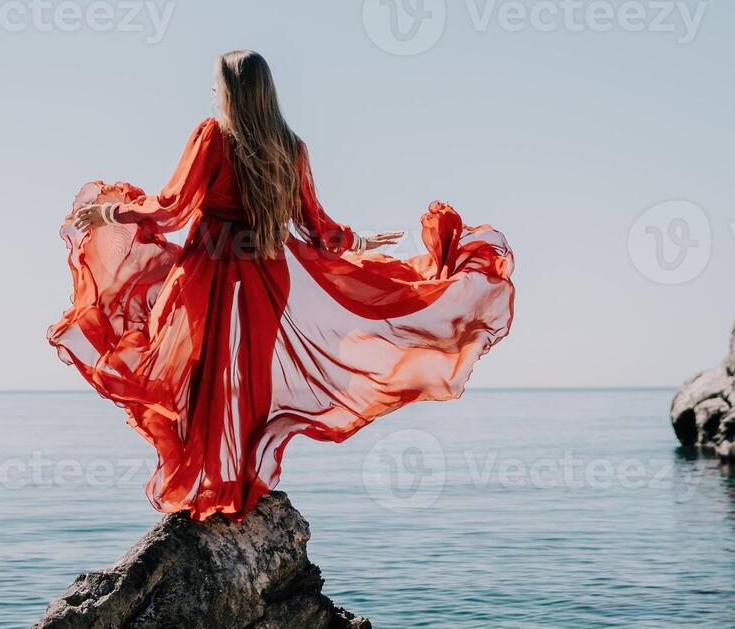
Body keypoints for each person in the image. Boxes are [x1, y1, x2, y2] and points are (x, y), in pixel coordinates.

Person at [48, 50, 514, 520]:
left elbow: (172, 208)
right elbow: (317, 230)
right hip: (267, 277)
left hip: (209, 273)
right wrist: (360, 240)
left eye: (217, 84)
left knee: (195, 373)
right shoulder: (291, 147)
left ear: (232, 90)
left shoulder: (214, 137)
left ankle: (209, 486)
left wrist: (113, 212)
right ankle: (235, 485)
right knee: (247, 383)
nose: (212, 92)